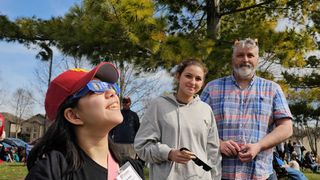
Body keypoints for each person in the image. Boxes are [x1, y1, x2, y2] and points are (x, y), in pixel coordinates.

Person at [25, 62, 143, 180]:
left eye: (110, 86)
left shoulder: (131, 168)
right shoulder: (52, 171)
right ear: (73, 115)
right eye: (96, 87)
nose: (112, 93)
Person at [201, 38, 293, 179]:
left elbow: (286, 128)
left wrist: (259, 146)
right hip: (220, 173)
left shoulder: (272, 89)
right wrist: (218, 143)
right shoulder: (212, 88)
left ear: (258, 59)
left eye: (250, 55)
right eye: (240, 55)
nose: (245, 59)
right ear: (233, 59)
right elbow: (197, 125)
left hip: (260, 173)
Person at [134, 59, 221, 180]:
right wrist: (168, 153)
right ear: (178, 76)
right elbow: (141, 146)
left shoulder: (206, 110)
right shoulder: (158, 106)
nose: (193, 82)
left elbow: (213, 153)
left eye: (198, 79)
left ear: (203, 83)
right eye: (188, 76)